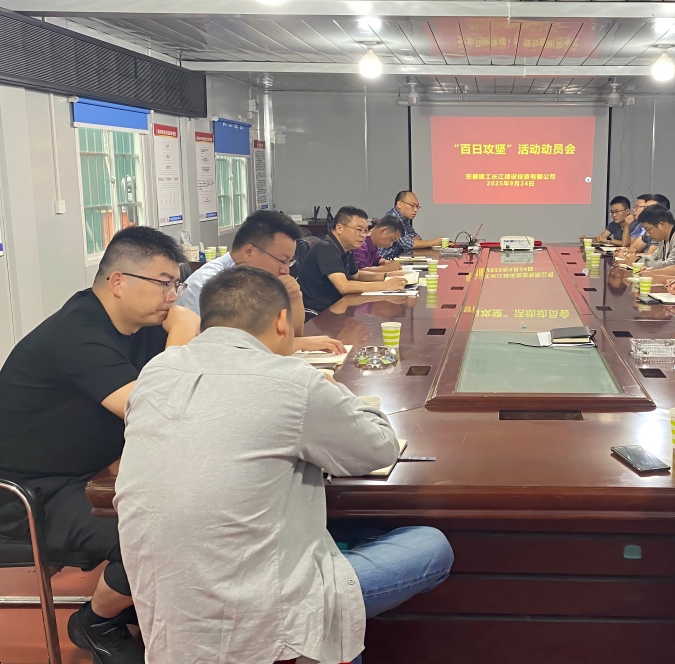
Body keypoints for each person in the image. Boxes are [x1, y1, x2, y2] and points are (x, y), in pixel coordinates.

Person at [115, 267, 453, 664]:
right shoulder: (294, 381)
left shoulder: (155, 372)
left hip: (167, 613)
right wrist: (334, 389)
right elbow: (379, 448)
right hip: (262, 617)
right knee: (431, 547)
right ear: (281, 320)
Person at [0, 226, 201, 664]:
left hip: (94, 474)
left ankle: (138, 605)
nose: (173, 297)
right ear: (119, 282)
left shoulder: (139, 325)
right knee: (168, 530)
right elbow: (155, 409)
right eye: (164, 283)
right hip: (30, 497)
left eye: (177, 284)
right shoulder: (77, 334)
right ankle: (97, 621)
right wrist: (182, 338)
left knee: (201, 508)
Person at [177, 210, 345, 353]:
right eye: (282, 261)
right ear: (249, 251)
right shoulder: (208, 284)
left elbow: (291, 334)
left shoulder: (257, 280)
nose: (286, 270)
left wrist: (295, 297)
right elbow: (222, 352)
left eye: (289, 262)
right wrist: (300, 344)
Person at [300, 206, 408, 316]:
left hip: (337, 308)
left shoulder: (346, 249)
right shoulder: (326, 248)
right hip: (318, 315)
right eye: (358, 230)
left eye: (365, 231)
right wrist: (385, 285)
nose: (363, 235)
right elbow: (344, 286)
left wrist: (387, 276)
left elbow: (357, 275)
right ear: (339, 228)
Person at [379, 191, 443, 259]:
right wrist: (434, 243)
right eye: (412, 205)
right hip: (383, 261)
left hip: (396, 259)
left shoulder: (404, 219)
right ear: (399, 204)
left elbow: (416, 237)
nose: (415, 210)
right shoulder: (392, 219)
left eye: (417, 206)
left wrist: (413, 241)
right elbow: (408, 244)